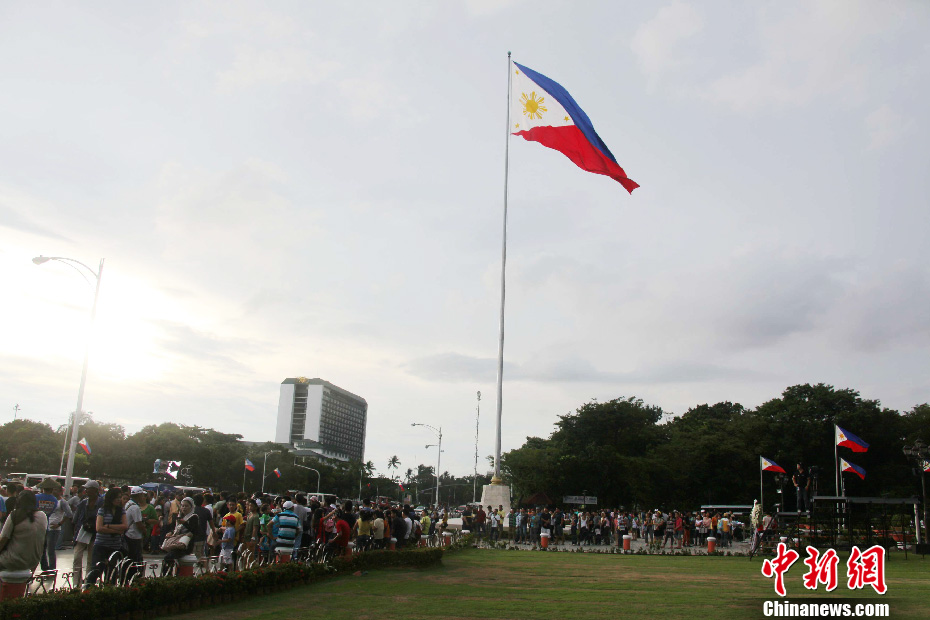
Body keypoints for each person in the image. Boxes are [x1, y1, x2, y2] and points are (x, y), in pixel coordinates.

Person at [85, 487, 128, 587]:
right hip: (101, 545)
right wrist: (117, 530)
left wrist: (108, 526)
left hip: (115, 546)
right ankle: (88, 590)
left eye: (120, 497)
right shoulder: (102, 510)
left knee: (112, 572)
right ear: (111, 498)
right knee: (96, 570)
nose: (119, 499)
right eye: (117, 497)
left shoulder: (121, 511)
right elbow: (99, 528)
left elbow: (125, 526)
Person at [0, 490, 48, 572]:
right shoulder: (42, 515)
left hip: (13, 560)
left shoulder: (14, 514)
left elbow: (3, 539)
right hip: (33, 561)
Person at [71, 480, 103, 584]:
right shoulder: (83, 503)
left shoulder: (102, 503)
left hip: (95, 533)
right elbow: (75, 520)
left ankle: (88, 581)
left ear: (95, 490)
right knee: (77, 557)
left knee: (91, 559)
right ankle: (76, 582)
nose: (86, 491)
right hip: (82, 532)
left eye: (88, 489)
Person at [161, 497, 200, 576]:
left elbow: (194, 531)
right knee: (168, 558)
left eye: (186, 506)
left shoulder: (194, 517)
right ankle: (169, 574)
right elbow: (175, 529)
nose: (184, 508)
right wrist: (170, 533)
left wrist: (185, 523)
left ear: (191, 507)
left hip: (185, 545)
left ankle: (167, 576)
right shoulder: (179, 517)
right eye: (182, 506)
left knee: (168, 557)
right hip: (176, 543)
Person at [123, 487, 146, 565]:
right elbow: (138, 523)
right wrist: (144, 531)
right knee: (135, 559)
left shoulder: (128, 503)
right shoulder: (135, 507)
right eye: (142, 495)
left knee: (128, 558)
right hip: (134, 536)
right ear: (138, 495)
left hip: (127, 534)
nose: (143, 497)